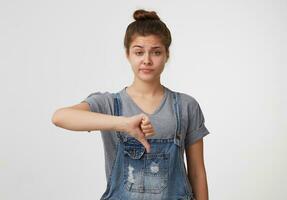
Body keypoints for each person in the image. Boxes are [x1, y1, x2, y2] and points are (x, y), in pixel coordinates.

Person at [52, 9, 210, 200]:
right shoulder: (109, 104)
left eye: (156, 52)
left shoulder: (186, 106)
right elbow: (60, 117)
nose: (147, 60)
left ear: (167, 55)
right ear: (127, 54)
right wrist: (123, 124)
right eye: (138, 52)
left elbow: (197, 173)